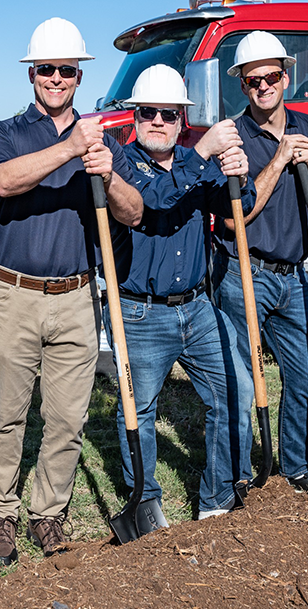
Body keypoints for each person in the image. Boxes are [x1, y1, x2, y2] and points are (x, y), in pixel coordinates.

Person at [0, 17, 142, 564]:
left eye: (65, 70)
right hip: (13, 293)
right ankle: (1, 513)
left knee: (68, 418)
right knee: (7, 413)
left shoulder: (105, 143)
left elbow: (133, 213)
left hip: (76, 296)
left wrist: (109, 174)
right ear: (32, 74)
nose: (55, 78)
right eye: (46, 68)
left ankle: (48, 514)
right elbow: (2, 182)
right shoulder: (3, 132)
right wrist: (70, 148)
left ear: (78, 75)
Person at [107, 65, 256, 520]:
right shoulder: (122, 164)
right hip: (140, 313)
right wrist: (204, 152)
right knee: (138, 408)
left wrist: (240, 176)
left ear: (181, 119)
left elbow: (236, 208)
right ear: (135, 116)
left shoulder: (195, 163)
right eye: (148, 112)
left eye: (168, 114)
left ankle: (218, 499)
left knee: (236, 391)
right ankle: (145, 501)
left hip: (197, 308)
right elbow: (153, 201)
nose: (157, 121)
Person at [211, 31, 308, 492]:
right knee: (239, 382)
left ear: (286, 77)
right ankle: (236, 476)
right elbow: (234, 218)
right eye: (254, 81)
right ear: (242, 86)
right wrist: (279, 160)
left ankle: (294, 468)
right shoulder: (233, 138)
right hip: (243, 273)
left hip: (293, 277)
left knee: (305, 377)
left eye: (271, 76)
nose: (264, 86)